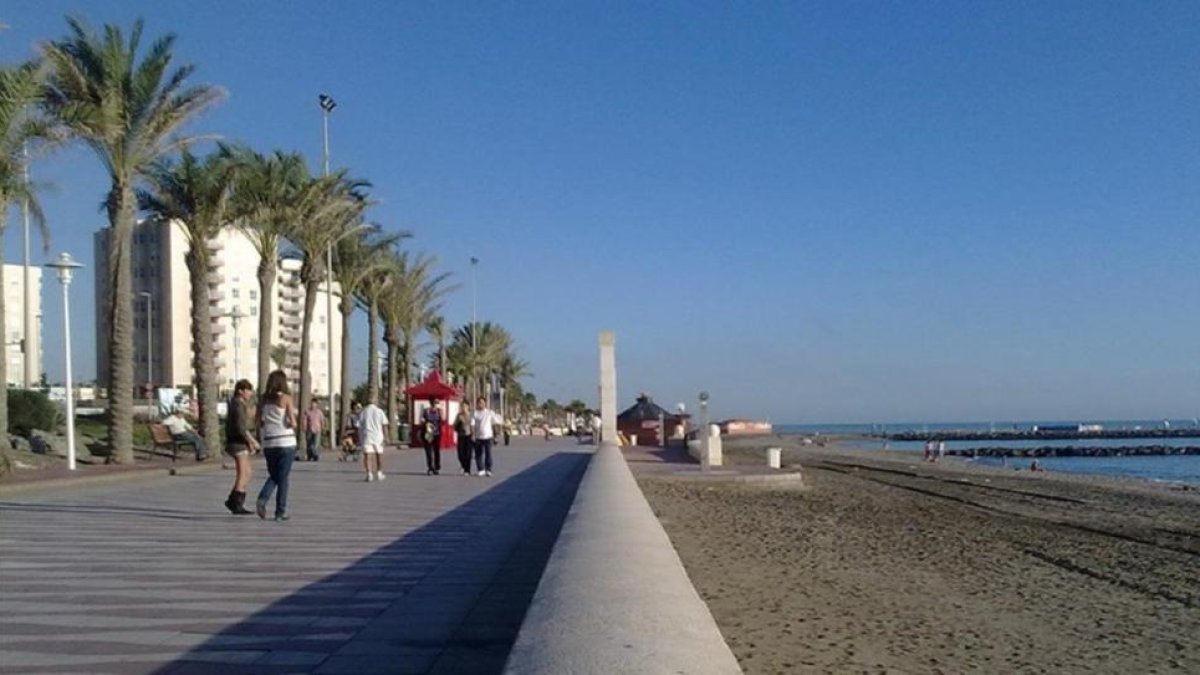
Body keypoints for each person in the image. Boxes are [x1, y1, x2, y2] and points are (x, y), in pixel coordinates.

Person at [255, 370, 298, 522]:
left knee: (274, 475)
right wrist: (289, 422)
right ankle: (280, 511)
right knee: (283, 477)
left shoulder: (263, 399)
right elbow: (292, 422)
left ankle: (263, 498)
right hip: (286, 441)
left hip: (269, 442)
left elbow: (258, 421)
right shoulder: (286, 398)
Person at [223, 379, 259, 515]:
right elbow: (241, 427)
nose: (250, 393)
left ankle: (234, 498)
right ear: (241, 391)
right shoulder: (238, 405)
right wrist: (252, 441)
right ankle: (235, 502)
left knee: (247, 472)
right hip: (237, 442)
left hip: (239, 441)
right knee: (243, 473)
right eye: (248, 390)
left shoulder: (239, 404)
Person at [359, 397, 389, 482]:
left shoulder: (363, 412)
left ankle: (369, 474)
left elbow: (360, 426)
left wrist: (359, 437)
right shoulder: (379, 411)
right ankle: (379, 473)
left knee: (367, 456)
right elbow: (384, 425)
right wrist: (386, 437)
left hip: (367, 436)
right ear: (375, 402)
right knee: (379, 455)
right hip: (378, 436)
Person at [471, 396, 501, 477]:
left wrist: (496, 436)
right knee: (478, 454)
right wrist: (473, 435)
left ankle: (488, 469)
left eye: (482, 402)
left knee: (488, 453)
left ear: (485, 403)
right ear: (477, 404)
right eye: (479, 402)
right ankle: (480, 469)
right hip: (478, 437)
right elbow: (472, 425)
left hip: (488, 436)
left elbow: (495, 424)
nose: (481, 404)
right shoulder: (475, 413)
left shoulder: (490, 413)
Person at [421, 403, 443, 475]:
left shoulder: (439, 411)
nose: (435, 405)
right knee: (429, 451)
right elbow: (422, 419)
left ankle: (437, 467)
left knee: (436, 450)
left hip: (437, 433)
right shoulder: (426, 411)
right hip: (428, 433)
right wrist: (423, 421)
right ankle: (430, 467)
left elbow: (442, 422)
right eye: (433, 402)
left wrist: (442, 417)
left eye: (436, 403)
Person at [453, 402, 473, 476]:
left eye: (465, 406)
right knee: (460, 454)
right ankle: (463, 465)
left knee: (468, 454)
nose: (464, 408)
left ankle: (467, 470)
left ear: (468, 407)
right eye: (462, 406)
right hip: (461, 436)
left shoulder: (471, 415)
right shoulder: (459, 416)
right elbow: (454, 425)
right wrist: (457, 425)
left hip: (469, 436)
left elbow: (474, 425)